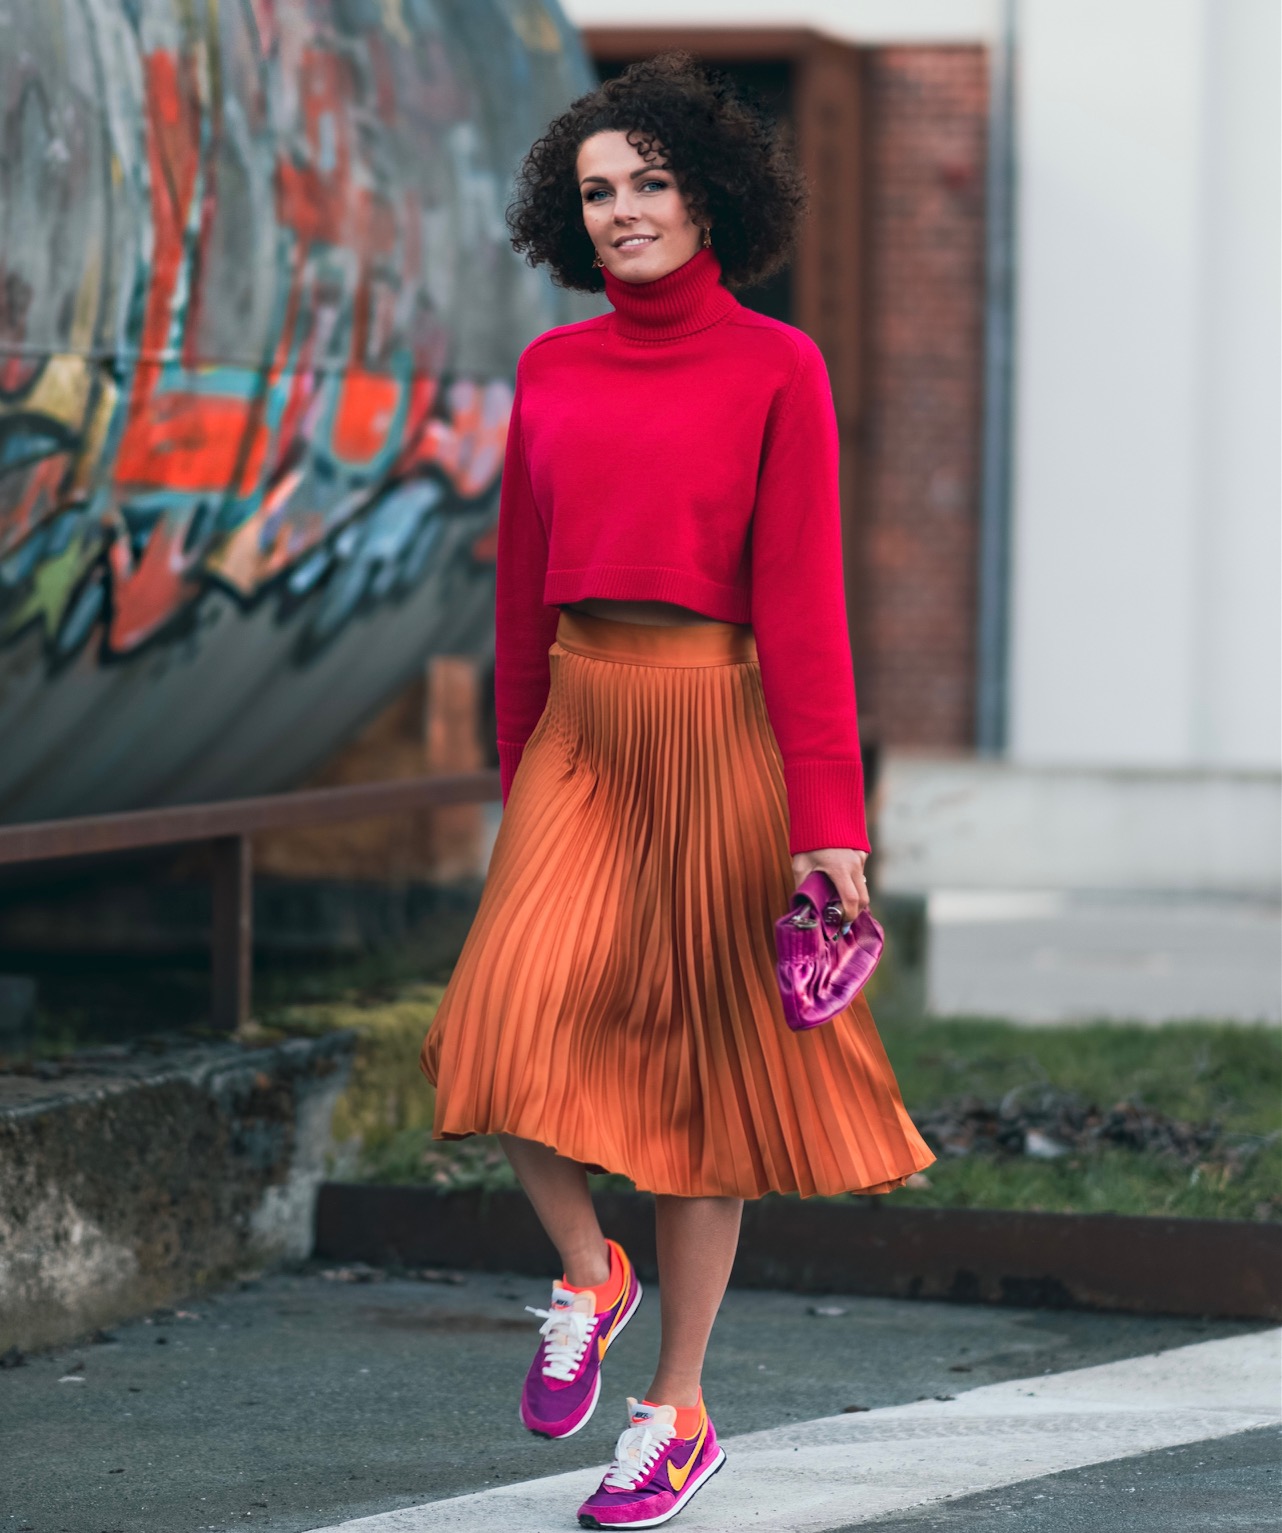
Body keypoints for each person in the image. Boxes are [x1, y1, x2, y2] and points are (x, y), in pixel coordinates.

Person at [420, 50, 934, 1531]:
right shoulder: (550, 369)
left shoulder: (780, 366)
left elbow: (806, 610)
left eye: (649, 181)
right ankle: (588, 1269)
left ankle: (675, 1406)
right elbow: (517, 604)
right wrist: (523, 785)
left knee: (700, 1080)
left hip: (718, 725)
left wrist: (829, 828)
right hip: (580, 724)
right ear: (566, 219)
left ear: (708, 197)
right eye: (598, 191)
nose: (625, 209)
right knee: (500, 1012)